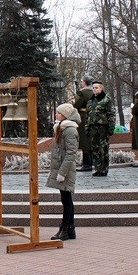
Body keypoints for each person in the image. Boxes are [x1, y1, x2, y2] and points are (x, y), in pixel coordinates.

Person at [45, 103, 80, 241]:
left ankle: (65, 228)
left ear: (65, 115)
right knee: (66, 199)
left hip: (65, 170)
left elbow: (71, 153)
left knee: (66, 200)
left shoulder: (70, 130)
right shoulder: (62, 127)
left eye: (59, 113)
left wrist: (62, 172)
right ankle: (70, 229)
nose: (57, 115)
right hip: (62, 168)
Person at [85, 80, 115, 177]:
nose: (94, 89)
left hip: (103, 128)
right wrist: (87, 128)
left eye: (96, 88)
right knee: (95, 149)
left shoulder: (106, 100)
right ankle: (97, 168)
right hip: (93, 128)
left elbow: (111, 114)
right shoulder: (91, 101)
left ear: (101, 88)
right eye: (93, 88)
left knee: (103, 149)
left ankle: (104, 169)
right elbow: (88, 116)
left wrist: (111, 127)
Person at [73, 76, 94, 171]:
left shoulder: (82, 92)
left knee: (84, 140)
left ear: (85, 82)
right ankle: (91, 162)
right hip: (94, 117)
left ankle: (87, 164)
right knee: (90, 140)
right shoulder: (95, 90)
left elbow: (77, 105)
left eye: (82, 81)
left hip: (84, 116)